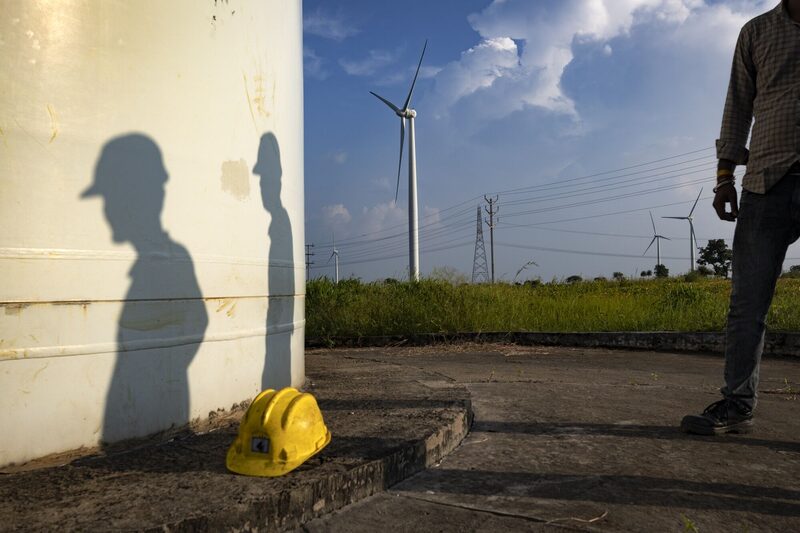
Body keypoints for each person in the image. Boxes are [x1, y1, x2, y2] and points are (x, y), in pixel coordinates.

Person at [681, 0, 800, 435]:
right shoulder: (756, 32)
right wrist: (723, 176)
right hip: (766, 182)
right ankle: (736, 405)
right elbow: (738, 105)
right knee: (747, 304)